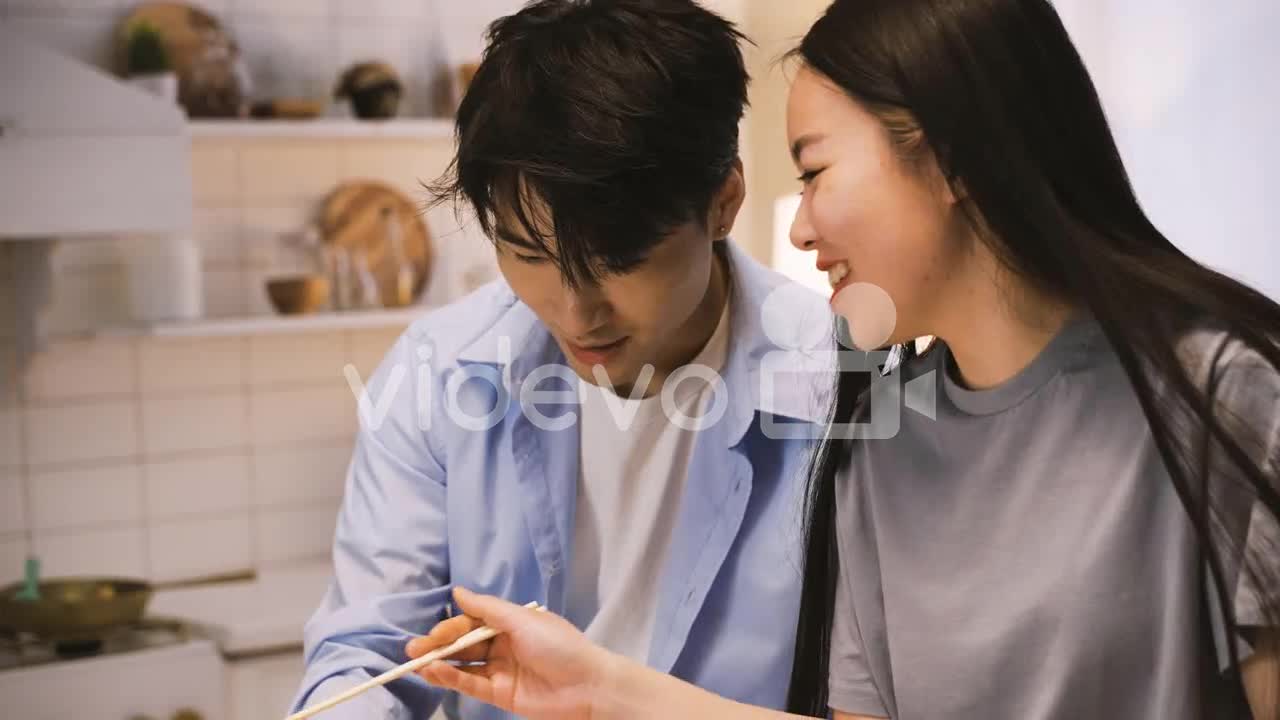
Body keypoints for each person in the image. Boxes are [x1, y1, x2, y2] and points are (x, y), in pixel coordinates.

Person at [406, 0, 1280, 718]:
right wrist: (595, 688)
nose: (800, 227)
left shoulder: (1221, 398)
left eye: (815, 172)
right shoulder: (877, 436)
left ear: (951, 161)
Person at [290, 2, 833, 719]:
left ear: (723, 201)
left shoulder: (839, 386)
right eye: (528, 254)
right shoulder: (438, 372)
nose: (576, 314)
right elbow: (365, 656)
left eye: (619, 260)